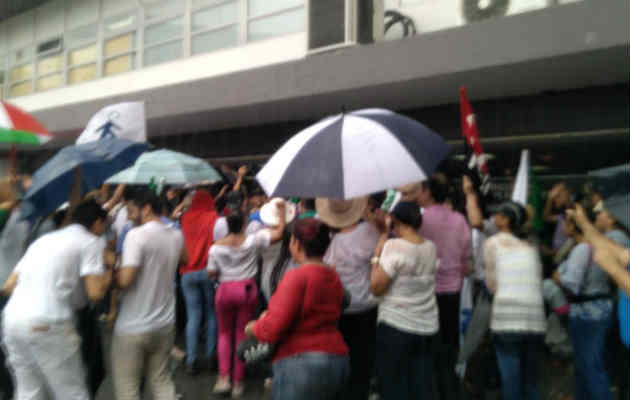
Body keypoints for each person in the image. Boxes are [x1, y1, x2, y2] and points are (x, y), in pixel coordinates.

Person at [1, 199, 113, 400]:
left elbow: (9, 286)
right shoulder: (91, 242)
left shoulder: (42, 241)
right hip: (49, 322)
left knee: (29, 391)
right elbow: (95, 293)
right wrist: (109, 272)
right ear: (97, 223)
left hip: (13, 320)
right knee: (72, 393)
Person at [245, 218, 350, 400]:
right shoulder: (332, 275)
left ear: (296, 244)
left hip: (301, 363)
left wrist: (253, 327)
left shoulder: (297, 277)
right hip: (337, 359)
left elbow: (272, 328)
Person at [399, 177, 472, 400]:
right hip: (452, 293)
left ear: (427, 191)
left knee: (425, 354)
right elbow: (467, 260)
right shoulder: (459, 220)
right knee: (448, 350)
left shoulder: (418, 222)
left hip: (424, 294)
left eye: (419, 189)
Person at [111, 189, 186, 400]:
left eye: (131, 210)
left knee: (128, 389)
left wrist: (112, 275)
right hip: (164, 324)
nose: (128, 215)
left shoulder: (136, 235)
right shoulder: (176, 234)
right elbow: (185, 260)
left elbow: (125, 281)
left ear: (146, 209)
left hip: (133, 326)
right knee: (161, 381)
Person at [207, 202, 286, 398]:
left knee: (224, 334)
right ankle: (238, 384)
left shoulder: (215, 248)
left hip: (224, 291)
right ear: (244, 223)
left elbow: (211, 273)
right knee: (242, 335)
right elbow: (279, 234)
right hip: (247, 290)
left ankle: (223, 379)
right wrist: (282, 214)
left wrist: (222, 275)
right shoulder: (254, 240)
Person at [369, 202, 438, 400]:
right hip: (426, 327)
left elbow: (376, 287)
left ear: (395, 220)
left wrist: (376, 258)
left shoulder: (394, 247)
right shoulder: (430, 247)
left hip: (396, 326)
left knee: (394, 387)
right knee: (420, 386)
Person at [318, 197, 380, 400]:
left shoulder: (332, 243)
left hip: (343, 307)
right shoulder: (369, 232)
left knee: (345, 353)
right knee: (365, 354)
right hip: (368, 303)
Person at [484, 201, 546, 400]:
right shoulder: (530, 248)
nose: (494, 218)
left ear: (506, 221)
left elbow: (491, 284)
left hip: (507, 319)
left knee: (511, 380)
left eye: (498, 215)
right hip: (535, 320)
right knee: (531, 380)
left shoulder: (493, 243)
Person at [552, 214, 614, 400]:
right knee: (588, 364)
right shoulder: (598, 246)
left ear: (573, 226)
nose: (562, 226)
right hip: (600, 310)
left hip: (587, 314)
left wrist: (557, 277)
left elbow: (572, 284)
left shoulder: (581, 249)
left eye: (566, 222)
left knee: (589, 366)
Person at [179, 189, 220, 375]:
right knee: (212, 313)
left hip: (187, 272)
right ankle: (211, 356)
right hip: (208, 270)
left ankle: (191, 359)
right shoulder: (214, 217)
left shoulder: (184, 218)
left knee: (193, 316)